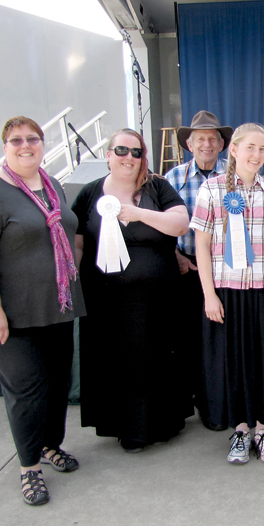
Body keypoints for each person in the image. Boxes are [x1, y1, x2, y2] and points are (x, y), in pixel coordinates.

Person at [0, 116, 86, 506]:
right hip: (11, 317)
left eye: (33, 139)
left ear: (43, 144)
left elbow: (67, 234)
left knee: (56, 385)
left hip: (54, 309)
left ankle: (50, 445)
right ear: (5, 147)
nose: (25, 145)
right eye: (16, 140)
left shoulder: (52, 187)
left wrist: (72, 267)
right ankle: (29, 467)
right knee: (26, 391)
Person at [72, 128, 191, 453]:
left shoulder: (158, 187)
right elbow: (78, 244)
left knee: (155, 358)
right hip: (106, 299)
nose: (129, 158)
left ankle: (161, 423)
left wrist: (138, 214)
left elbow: (180, 224)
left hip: (157, 298)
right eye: (121, 151)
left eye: (136, 152)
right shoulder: (89, 193)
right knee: (116, 360)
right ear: (108, 155)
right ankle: (126, 427)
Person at [190, 123, 264, 464]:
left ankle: (263, 430)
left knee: (263, 360)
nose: (256, 155)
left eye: (262, 149)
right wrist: (209, 294)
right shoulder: (212, 189)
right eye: (250, 148)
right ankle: (241, 431)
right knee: (231, 361)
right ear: (233, 150)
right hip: (226, 291)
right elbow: (201, 244)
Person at [165, 110, 232, 431]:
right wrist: (173, 255)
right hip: (186, 269)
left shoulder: (233, 176)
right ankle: (187, 401)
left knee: (217, 341)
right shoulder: (172, 179)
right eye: (200, 139)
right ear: (189, 144)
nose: (206, 144)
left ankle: (213, 403)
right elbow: (160, 227)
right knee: (188, 339)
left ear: (221, 144)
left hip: (225, 273)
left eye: (212, 139)